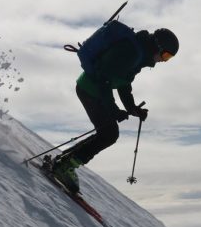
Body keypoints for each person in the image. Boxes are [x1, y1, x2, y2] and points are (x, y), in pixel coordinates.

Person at [51, 26, 179, 193]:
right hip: (90, 90)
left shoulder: (139, 54)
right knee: (109, 134)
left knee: (107, 132)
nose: (164, 60)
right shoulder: (132, 52)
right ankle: (64, 166)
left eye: (168, 58)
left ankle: (64, 162)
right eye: (165, 55)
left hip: (93, 90)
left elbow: (123, 83)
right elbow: (104, 79)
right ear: (158, 46)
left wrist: (132, 109)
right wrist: (113, 109)